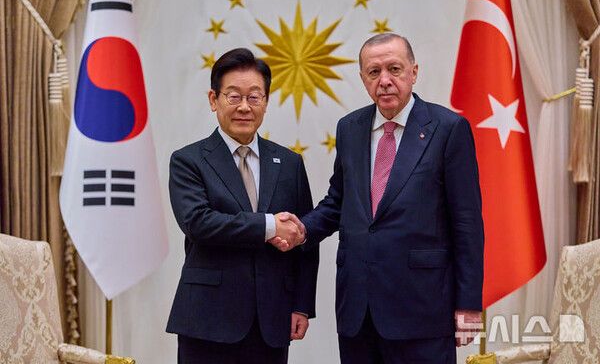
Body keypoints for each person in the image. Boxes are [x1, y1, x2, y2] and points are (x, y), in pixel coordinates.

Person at [281, 33, 484, 363]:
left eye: (394, 69)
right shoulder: (350, 128)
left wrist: (469, 304)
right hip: (358, 310)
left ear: (414, 72)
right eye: (374, 72)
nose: (385, 80)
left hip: (423, 308)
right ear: (363, 78)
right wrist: (301, 230)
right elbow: (338, 202)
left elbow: (467, 223)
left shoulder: (448, 129)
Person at [166, 48, 319, 364]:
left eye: (254, 97)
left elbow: (303, 237)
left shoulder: (289, 163)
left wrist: (302, 305)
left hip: (271, 321)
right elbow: (198, 223)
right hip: (207, 319)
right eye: (234, 96)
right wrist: (269, 226)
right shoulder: (188, 160)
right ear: (214, 99)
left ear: (266, 101)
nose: (244, 107)